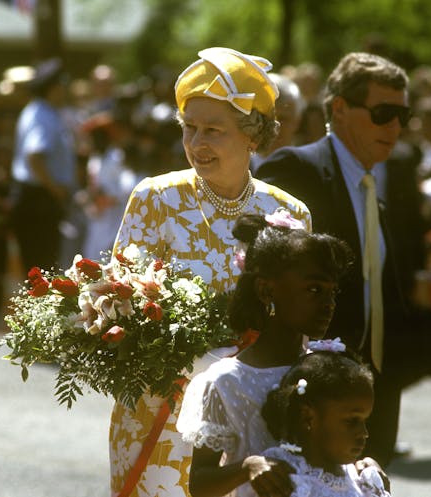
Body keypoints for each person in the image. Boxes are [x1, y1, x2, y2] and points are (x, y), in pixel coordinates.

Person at [109, 47, 312, 497]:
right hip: (161, 415)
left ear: (252, 136)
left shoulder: (289, 213)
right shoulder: (154, 199)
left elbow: (300, 321)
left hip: (248, 423)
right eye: (189, 128)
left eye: (213, 131)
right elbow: (117, 308)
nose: (197, 143)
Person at [256, 52, 428, 467]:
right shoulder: (297, 170)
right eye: (383, 113)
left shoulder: (376, 185)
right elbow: (262, 277)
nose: (395, 127)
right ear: (339, 108)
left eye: (402, 115)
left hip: (375, 389)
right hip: (314, 391)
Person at [177, 213, 352, 497]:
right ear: (266, 289)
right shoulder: (225, 382)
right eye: (313, 290)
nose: (328, 304)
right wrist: (247, 468)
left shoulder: (327, 367)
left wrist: (361, 466)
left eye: (333, 292)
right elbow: (198, 483)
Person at [260, 343, 391, 497]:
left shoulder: (360, 480)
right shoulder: (285, 477)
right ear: (308, 417)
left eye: (364, 421)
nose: (364, 433)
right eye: (351, 421)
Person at [10, 57, 77, 271]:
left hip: (38, 199)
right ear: (53, 88)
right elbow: (35, 155)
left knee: (43, 266)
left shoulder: (42, 111)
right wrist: (55, 189)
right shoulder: (42, 115)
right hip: (38, 201)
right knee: (42, 268)